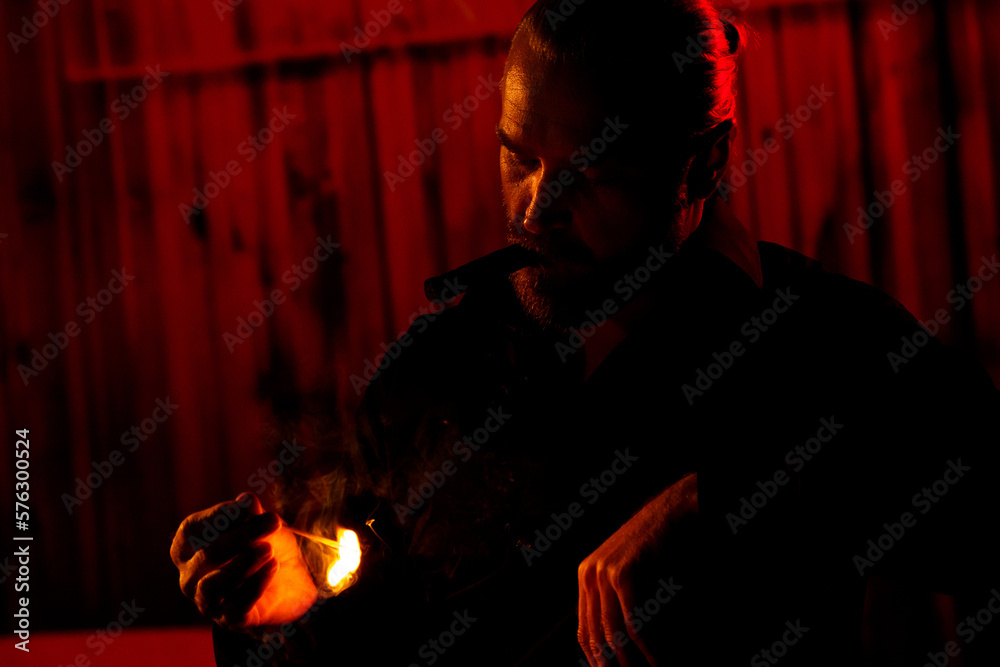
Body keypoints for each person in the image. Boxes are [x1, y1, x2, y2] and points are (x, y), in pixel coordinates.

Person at [171, 1, 1000, 665]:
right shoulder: (435, 368)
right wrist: (290, 598)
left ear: (703, 165)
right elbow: (366, 632)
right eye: (516, 156)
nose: (534, 208)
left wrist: (732, 491)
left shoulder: (823, 344)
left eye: (589, 173)